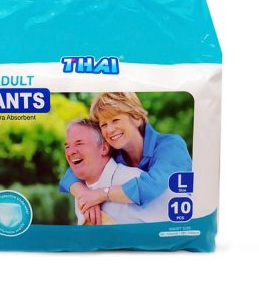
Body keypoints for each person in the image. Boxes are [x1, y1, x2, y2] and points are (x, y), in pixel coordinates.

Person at [60, 92, 192, 224]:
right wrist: (85, 196)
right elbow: (74, 171)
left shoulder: (171, 146)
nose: (110, 129)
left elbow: (150, 187)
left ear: (136, 118)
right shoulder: (115, 151)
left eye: (115, 120)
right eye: (104, 125)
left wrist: (99, 195)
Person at [64, 119, 174, 225]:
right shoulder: (82, 192)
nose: (70, 152)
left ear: (104, 148)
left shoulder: (133, 179)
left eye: (79, 143)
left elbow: (171, 228)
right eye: (67, 146)